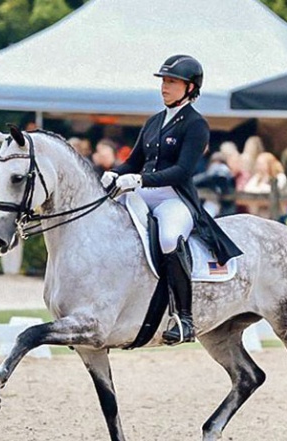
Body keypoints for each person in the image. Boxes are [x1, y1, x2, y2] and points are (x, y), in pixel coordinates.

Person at [100, 55, 242, 343]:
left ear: (189, 88)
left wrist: (140, 179)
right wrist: (113, 174)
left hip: (174, 199)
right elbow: (133, 162)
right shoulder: (153, 122)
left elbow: (182, 171)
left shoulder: (196, 124)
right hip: (142, 194)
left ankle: (184, 318)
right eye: (164, 81)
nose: (164, 87)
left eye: (172, 82)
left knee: (168, 238)